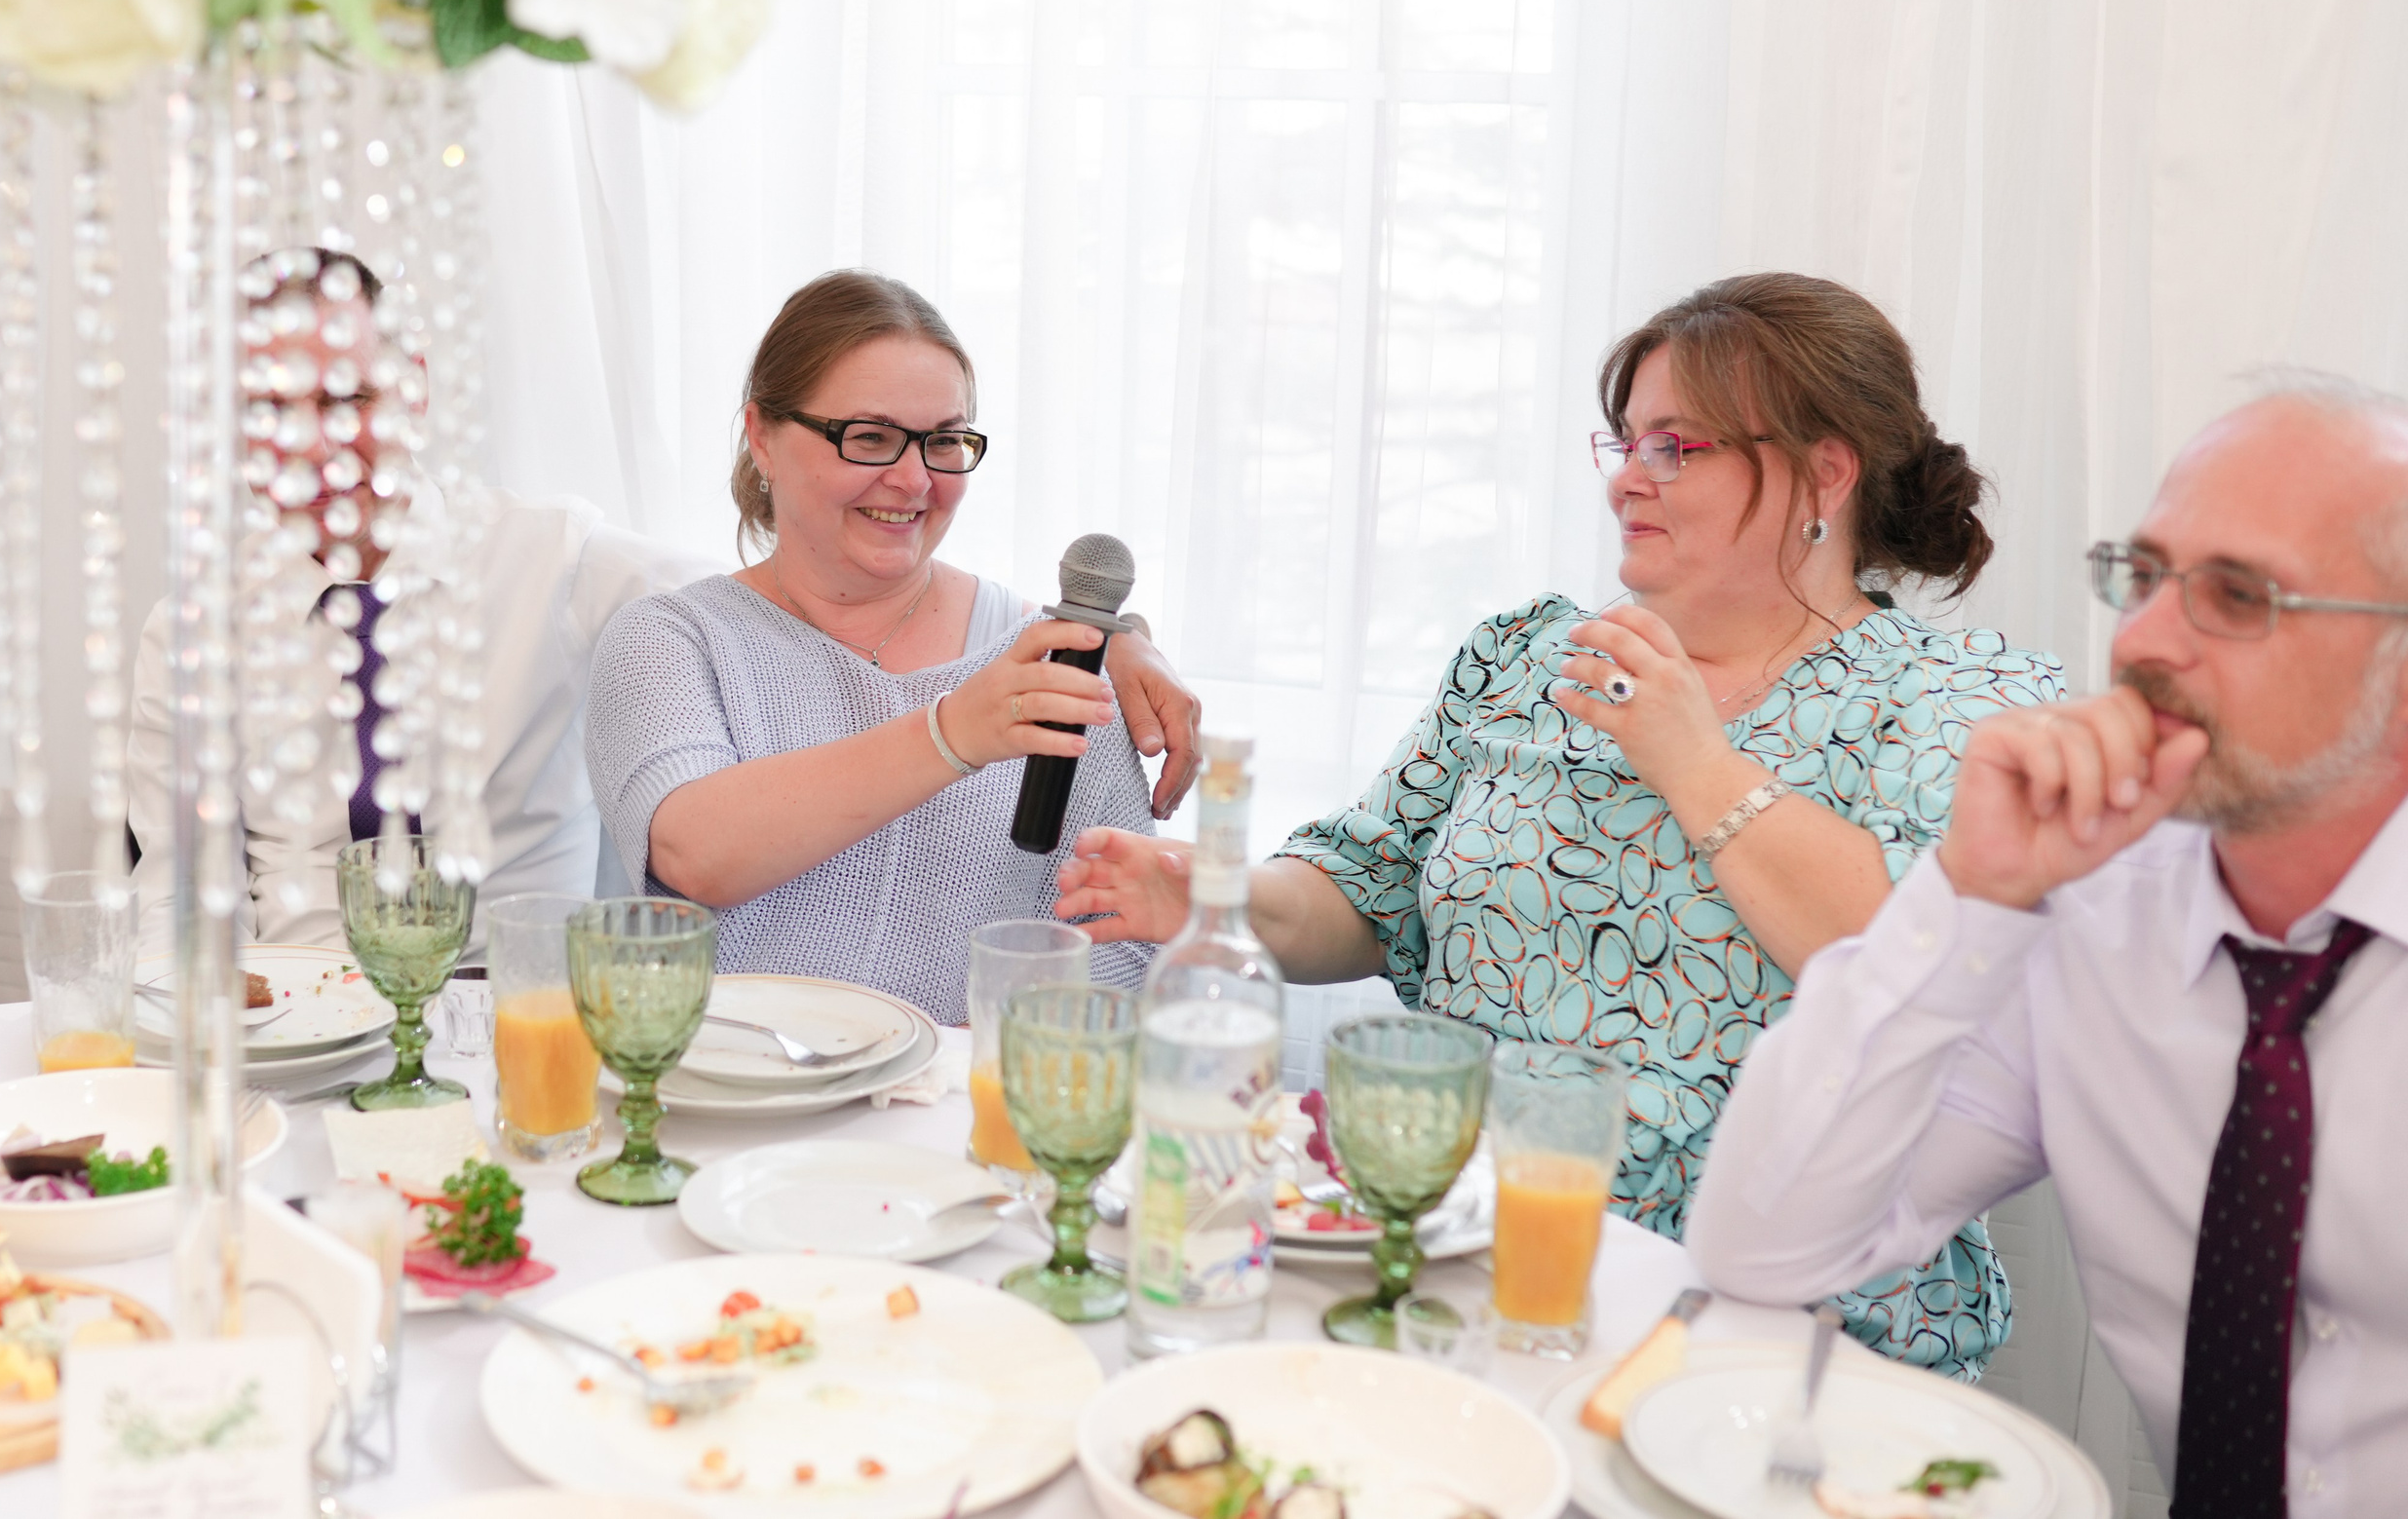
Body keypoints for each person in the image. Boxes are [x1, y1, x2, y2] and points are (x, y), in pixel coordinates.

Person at [1055, 272, 2066, 1378]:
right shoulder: (1526, 654)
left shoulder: (1959, 701)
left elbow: (1908, 968)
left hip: (1778, 1323)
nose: (1630, 478)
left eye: (1677, 447)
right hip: (1463, 1254)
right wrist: (1215, 897)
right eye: (1625, 443)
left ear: (1825, 471)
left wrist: (1694, 758)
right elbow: (1365, 884)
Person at [1688, 374, 2408, 1511]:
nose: (2145, 639)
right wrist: (1965, 892)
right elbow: (1764, 1248)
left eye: (2236, 594)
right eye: (2146, 575)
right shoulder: (2093, 909)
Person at [128, 249, 1202, 962]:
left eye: (348, 399)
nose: (318, 442)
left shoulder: (555, 560)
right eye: (272, 409)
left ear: (410, 384)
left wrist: (1113, 639)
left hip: (509, 1033)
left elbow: (817, 583)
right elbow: (166, 911)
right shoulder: (187, 637)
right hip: (287, 1040)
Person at [585, 270, 1191, 1023]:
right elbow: (694, 850)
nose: (913, 479)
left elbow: (1119, 944)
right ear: (762, 437)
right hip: (735, 1115)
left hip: (968, 1118)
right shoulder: (670, 641)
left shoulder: (1051, 661)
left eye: (943, 441)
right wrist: (950, 732)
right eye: (868, 437)